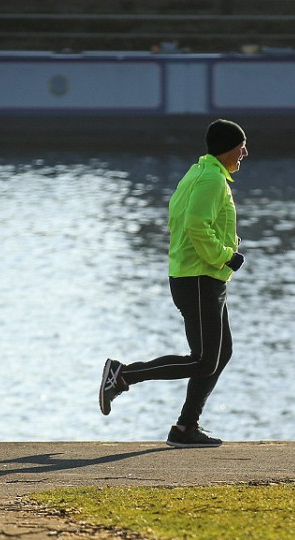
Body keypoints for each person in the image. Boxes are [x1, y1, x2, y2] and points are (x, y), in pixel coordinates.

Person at [99, 119, 248, 448]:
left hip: (199, 277)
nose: (244, 153)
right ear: (227, 147)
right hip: (198, 277)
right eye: (241, 146)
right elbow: (196, 224)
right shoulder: (210, 179)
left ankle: (185, 428)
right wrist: (226, 255)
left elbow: (181, 217)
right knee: (204, 359)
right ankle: (123, 375)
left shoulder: (198, 174)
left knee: (220, 354)